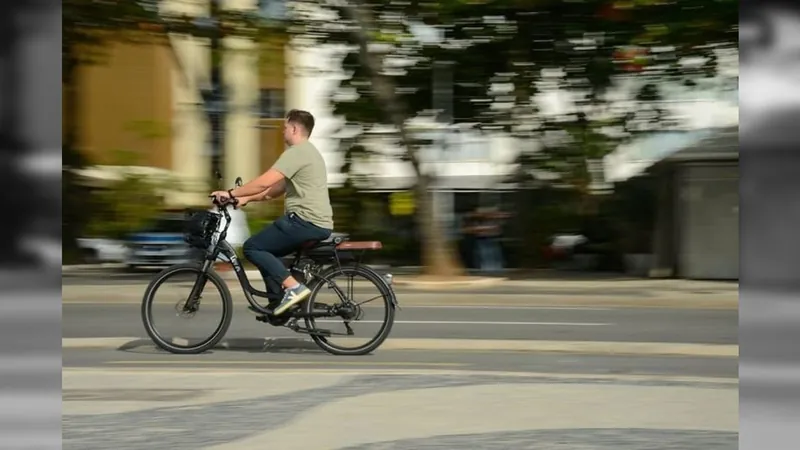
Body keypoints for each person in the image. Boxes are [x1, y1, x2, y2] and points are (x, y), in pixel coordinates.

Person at [210, 109, 334, 315]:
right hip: (314, 223)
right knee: (268, 253)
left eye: (285, 128)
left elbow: (264, 182)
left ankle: (294, 288)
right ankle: (278, 304)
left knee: (252, 248)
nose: (282, 132)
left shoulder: (297, 153)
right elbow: (274, 190)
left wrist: (230, 193)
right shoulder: (309, 153)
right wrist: (245, 198)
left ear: (294, 128)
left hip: (304, 222)